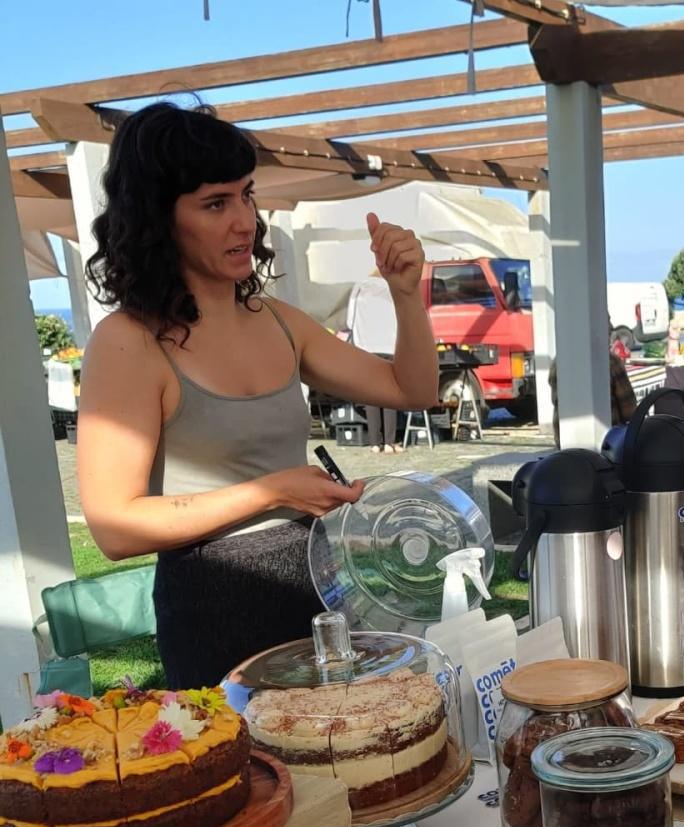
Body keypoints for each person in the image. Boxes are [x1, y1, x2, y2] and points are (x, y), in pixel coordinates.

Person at [78, 102, 438, 687]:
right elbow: (114, 527)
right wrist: (273, 490)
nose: (245, 221)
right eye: (215, 204)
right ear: (157, 219)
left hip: (313, 585)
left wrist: (404, 293)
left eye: (246, 195)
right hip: (212, 606)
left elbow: (412, 388)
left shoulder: (278, 320)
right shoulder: (129, 342)